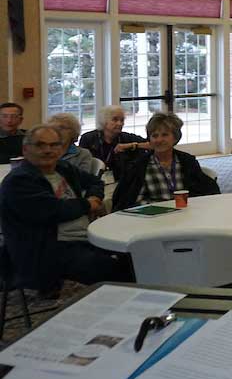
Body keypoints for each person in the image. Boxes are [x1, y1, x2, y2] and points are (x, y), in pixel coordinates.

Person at [0, 126, 129, 293]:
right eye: (40, 145)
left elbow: (94, 182)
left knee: (135, 253)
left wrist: (95, 198)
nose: (48, 150)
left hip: (84, 238)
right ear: (26, 149)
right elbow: (54, 210)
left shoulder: (62, 168)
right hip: (45, 250)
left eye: (54, 145)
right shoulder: (19, 181)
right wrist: (88, 205)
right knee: (114, 268)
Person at [113, 113, 220, 211]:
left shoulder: (187, 162)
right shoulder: (138, 166)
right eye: (155, 136)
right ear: (149, 139)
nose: (159, 140)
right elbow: (127, 201)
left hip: (185, 214)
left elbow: (208, 191)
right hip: (151, 217)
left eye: (164, 135)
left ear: (175, 138)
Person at [79, 105, 145, 179]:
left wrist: (130, 145)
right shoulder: (88, 139)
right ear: (104, 121)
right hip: (94, 183)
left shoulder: (126, 138)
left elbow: (151, 144)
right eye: (115, 119)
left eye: (122, 120)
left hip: (121, 183)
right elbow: (82, 168)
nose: (120, 123)